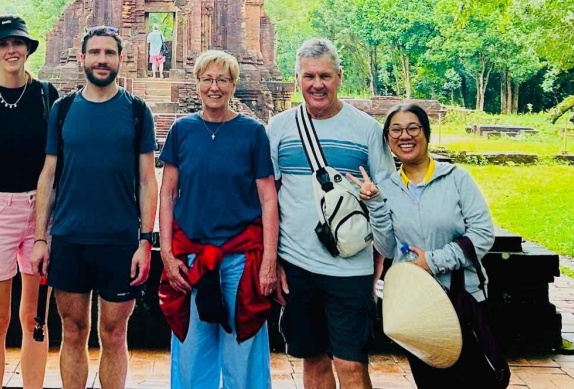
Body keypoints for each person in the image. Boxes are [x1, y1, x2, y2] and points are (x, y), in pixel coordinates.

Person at [29, 26, 157, 389]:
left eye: (109, 53)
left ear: (120, 59)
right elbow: (48, 175)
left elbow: (148, 180)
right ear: (82, 58)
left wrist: (145, 240)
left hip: (119, 240)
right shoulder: (63, 109)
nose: (102, 60)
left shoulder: (136, 112)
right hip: (69, 238)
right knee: (72, 331)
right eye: (95, 53)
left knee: (114, 333)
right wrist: (41, 238)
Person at [267, 38, 392, 389]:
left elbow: (385, 196)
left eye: (325, 76)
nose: (317, 85)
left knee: (351, 363)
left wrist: (379, 259)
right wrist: (273, 261)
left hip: (351, 267)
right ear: (297, 80)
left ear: (339, 77)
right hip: (298, 264)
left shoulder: (366, 130)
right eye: (309, 77)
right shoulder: (279, 128)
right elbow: (269, 199)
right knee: (314, 359)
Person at [158, 50, 278, 389]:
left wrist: (269, 260)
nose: (215, 87)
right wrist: (166, 253)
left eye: (223, 79)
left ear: (233, 85)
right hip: (192, 255)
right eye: (207, 79)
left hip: (242, 257)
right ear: (197, 84)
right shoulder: (182, 130)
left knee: (243, 350)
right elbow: (167, 193)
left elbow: (268, 199)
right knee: (193, 353)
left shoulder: (252, 132)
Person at [0, 15, 60, 389]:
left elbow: (56, 163)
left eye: (16, 43)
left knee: (35, 317)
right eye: (3, 45)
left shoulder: (47, 96)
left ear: (27, 49)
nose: (11, 50)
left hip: (40, 213)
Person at [374, 103, 500, 388]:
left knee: (475, 379)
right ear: (389, 140)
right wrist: (375, 206)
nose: (404, 136)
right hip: (418, 306)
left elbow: (482, 233)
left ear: (426, 133)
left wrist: (433, 261)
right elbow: (386, 247)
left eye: (412, 128)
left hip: (462, 298)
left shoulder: (456, 179)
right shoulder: (388, 188)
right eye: (395, 130)